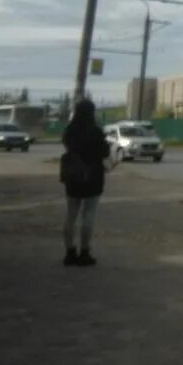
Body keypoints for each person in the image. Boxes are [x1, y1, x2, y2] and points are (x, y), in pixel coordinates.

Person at [61, 99, 110, 267]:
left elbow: (68, 147)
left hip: (73, 176)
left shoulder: (70, 131)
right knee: (88, 216)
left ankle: (69, 252)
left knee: (70, 215)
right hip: (93, 177)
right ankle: (85, 252)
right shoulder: (96, 131)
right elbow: (105, 152)